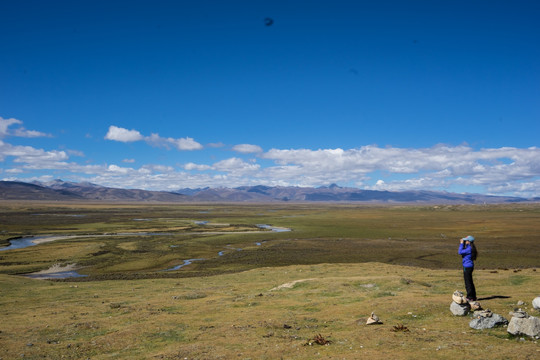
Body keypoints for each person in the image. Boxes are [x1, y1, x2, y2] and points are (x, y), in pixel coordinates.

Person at [458, 235, 478, 301]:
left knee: (468, 282)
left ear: (469, 241)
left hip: (467, 267)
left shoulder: (469, 249)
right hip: (469, 266)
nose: (464, 241)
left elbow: (460, 252)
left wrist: (461, 244)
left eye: (466, 240)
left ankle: (470, 297)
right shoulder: (470, 248)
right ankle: (473, 296)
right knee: (470, 282)